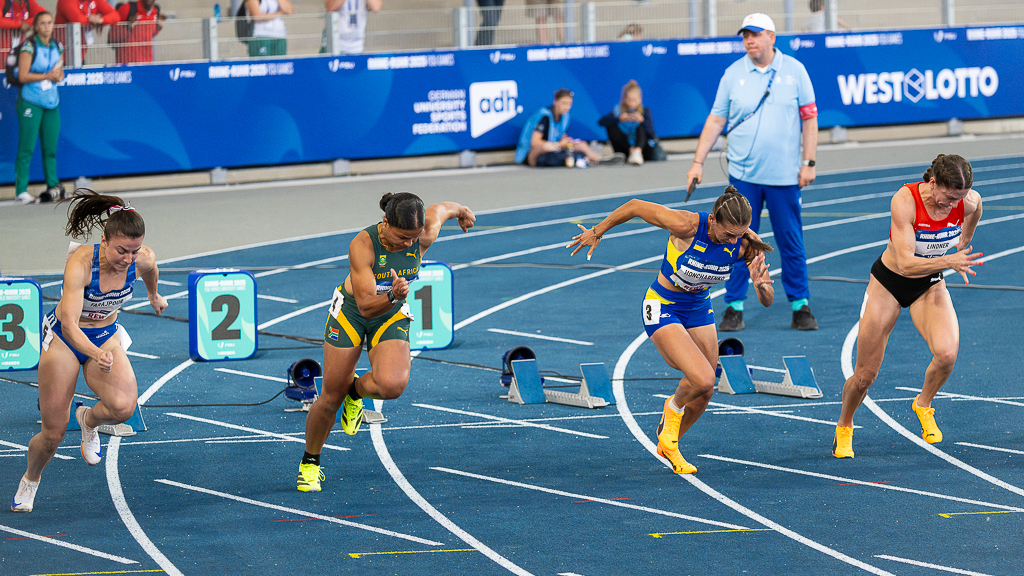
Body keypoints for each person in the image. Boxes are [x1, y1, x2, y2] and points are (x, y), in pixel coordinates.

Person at [567, 187, 774, 474]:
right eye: (729, 234)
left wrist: (760, 286)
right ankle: (673, 408)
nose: (734, 240)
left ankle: (670, 442)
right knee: (702, 378)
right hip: (663, 304)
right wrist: (597, 231)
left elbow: (767, 302)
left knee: (705, 391)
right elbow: (636, 205)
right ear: (713, 220)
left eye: (741, 233)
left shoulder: (745, 244)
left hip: (698, 307)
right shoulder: (686, 225)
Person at [297, 192, 475, 492]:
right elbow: (366, 305)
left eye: (414, 237)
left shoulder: (424, 231)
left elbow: (440, 209)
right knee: (330, 396)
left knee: (392, 385)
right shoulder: (363, 244)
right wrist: (394, 294)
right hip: (353, 313)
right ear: (385, 223)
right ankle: (310, 462)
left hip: (390, 314)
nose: (409, 244)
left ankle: (355, 391)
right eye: (402, 237)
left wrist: (462, 210)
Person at [11, 189, 167, 513]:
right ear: (104, 241)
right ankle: (31, 478)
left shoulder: (143, 258)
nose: (128, 258)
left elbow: (150, 271)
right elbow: (69, 324)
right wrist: (96, 355)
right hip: (66, 340)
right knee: (52, 433)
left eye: (134, 251)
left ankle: (89, 420)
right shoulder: (81, 263)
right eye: (121, 251)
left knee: (124, 406)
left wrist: (154, 296)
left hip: (106, 334)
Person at [833, 155, 982, 458]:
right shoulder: (906, 200)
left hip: (928, 284)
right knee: (864, 375)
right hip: (889, 283)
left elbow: (976, 208)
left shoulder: (967, 201)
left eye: (959, 198)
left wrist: (966, 236)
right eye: (948, 197)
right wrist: (950, 260)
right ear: (933, 183)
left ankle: (923, 403)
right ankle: (845, 426)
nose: (952, 205)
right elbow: (904, 263)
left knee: (947, 354)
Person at [686, 13, 820, 332]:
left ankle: (800, 305)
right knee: (735, 242)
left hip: (784, 176)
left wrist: (809, 162)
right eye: (746, 35)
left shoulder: (795, 71)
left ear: (772, 37)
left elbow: (810, 119)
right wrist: (697, 161)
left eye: (756, 34)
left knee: (790, 241)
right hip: (743, 176)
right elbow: (716, 120)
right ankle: (734, 306)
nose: (749, 40)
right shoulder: (733, 74)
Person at [13, 11, 65, 205]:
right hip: (31, 101)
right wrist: (46, 76)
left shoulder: (56, 46)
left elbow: (59, 73)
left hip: (52, 102)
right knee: (26, 147)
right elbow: (23, 76)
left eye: (50, 23)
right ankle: (21, 191)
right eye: (42, 23)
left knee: (50, 148)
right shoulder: (29, 47)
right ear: (35, 27)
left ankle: (53, 185)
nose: (47, 26)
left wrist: (57, 76)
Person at [515, 88, 619, 168]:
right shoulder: (545, 116)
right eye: (564, 103)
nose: (566, 107)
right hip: (533, 154)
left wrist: (566, 142)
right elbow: (534, 142)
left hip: (555, 149)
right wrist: (559, 144)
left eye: (569, 104)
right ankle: (580, 159)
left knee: (581, 145)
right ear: (555, 101)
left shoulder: (565, 117)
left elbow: (562, 138)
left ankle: (600, 160)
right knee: (546, 147)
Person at [598, 80, 666, 166]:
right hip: (625, 149)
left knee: (641, 127)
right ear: (624, 99)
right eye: (629, 100)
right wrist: (619, 118)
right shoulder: (618, 111)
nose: (631, 103)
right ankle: (631, 150)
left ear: (640, 99)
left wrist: (642, 121)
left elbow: (652, 135)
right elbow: (601, 122)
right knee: (611, 126)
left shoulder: (645, 111)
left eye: (634, 100)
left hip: (643, 150)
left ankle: (637, 151)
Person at [55, 0, 120, 64]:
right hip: (59, 53)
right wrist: (93, 21)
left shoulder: (95, 1)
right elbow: (77, 20)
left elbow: (116, 15)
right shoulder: (66, 1)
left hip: (79, 53)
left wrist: (101, 20)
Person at [107, 0, 165, 64]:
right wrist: (128, 27)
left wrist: (159, 27)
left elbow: (150, 34)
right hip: (127, 64)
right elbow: (112, 38)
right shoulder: (127, 8)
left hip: (147, 63)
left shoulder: (155, 10)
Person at [1, 0, 46, 70]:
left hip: (18, 49)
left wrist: (26, 24)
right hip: (2, 50)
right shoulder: (3, 2)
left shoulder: (28, 2)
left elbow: (43, 16)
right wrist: (19, 24)